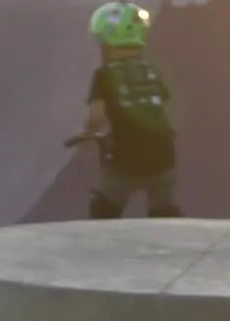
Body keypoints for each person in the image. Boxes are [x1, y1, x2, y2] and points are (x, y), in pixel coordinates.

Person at [82, 1, 182, 219]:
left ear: (107, 43)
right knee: (164, 210)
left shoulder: (104, 75)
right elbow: (165, 106)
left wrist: (90, 133)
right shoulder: (151, 71)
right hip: (163, 154)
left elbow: (95, 118)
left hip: (128, 158)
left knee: (104, 209)